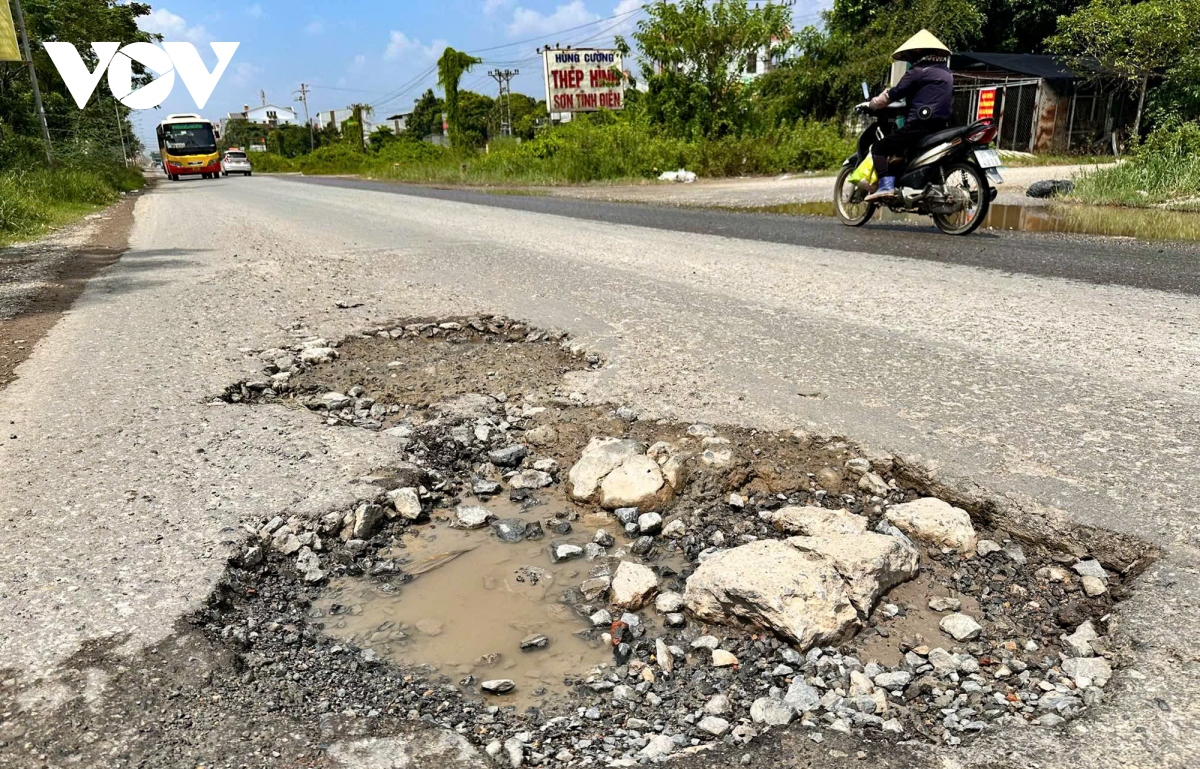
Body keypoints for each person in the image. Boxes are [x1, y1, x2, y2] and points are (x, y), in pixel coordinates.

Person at [864, 30, 955, 202]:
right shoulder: (946, 72)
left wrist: (873, 103)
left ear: (917, 52)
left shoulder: (918, 71)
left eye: (908, 55)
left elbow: (895, 93)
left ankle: (886, 186)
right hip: (941, 126)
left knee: (880, 147)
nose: (908, 58)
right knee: (905, 151)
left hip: (919, 125)